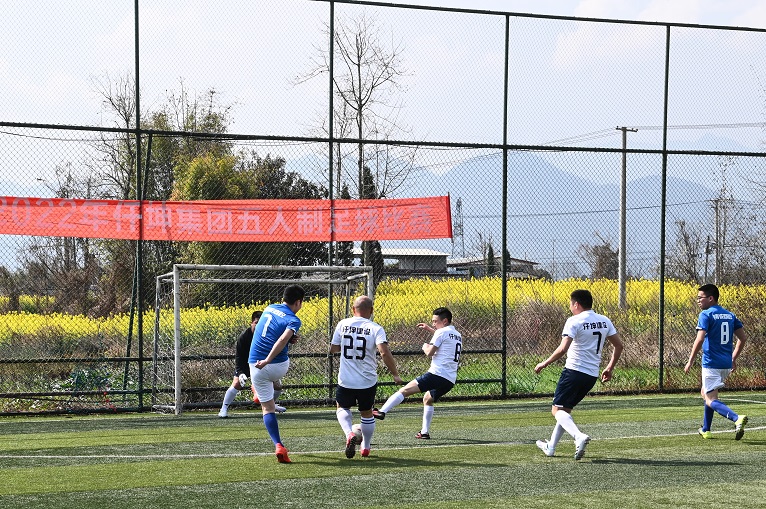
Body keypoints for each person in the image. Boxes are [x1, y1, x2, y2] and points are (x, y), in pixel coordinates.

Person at [534, 289, 623, 460]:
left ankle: (578, 436)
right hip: (591, 376)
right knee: (565, 410)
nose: (570, 307)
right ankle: (551, 447)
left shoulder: (574, 321)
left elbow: (563, 349)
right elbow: (619, 345)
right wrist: (609, 368)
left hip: (574, 371)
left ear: (576, 304)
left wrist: (544, 363)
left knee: (556, 410)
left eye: (570, 304)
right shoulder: (604, 320)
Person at [330, 295, 403, 459]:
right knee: (367, 413)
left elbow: (333, 349)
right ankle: (366, 447)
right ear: (371, 310)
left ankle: (349, 434)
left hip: (346, 379)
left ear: (353, 309)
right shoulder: (376, 328)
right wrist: (395, 374)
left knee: (342, 407)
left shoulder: (343, 324)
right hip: (367, 380)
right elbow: (384, 352)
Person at [373, 307, 462, 440]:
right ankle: (424, 432)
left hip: (436, 374)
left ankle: (382, 411)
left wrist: (425, 346)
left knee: (404, 391)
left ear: (444, 321)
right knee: (427, 399)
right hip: (449, 379)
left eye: (435, 321)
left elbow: (429, 352)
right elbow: (443, 338)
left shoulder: (441, 333)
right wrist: (429, 329)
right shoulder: (457, 334)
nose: (433, 324)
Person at [249, 284, 305, 463]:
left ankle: (279, 445)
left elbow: (268, 332)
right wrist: (268, 360)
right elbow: (281, 340)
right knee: (275, 374)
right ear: (298, 302)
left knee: (267, 409)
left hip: (254, 364)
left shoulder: (269, 307)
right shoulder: (294, 319)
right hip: (277, 366)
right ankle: (265, 388)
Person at [684, 283, 748, 440]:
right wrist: (733, 358)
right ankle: (706, 429)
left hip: (711, 362)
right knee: (706, 393)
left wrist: (690, 360)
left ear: (711, 298)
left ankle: (736, 418)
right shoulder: (730, 315)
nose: (698, 301)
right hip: (725, 363)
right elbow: (743, 338)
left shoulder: (706, 314)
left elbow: (700, 339)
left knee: (710, 398)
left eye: (700, 298)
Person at [218, 310, 286, 418]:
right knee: (237, 383)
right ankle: (223, 409)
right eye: (256, 323)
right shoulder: (244, 337)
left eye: (261, 323)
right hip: (246, 364)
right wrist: (240, 373)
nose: (258, 325)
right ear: (251, 323)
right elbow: (239, 358)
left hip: (262, 364)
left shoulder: (268, 335)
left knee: (278, 386)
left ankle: (271, 406)